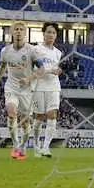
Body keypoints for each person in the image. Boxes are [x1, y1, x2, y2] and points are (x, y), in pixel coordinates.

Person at [0, 20, 35, 160]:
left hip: (26, 90)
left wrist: (29, 78)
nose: (18, 31)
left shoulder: (32, 50)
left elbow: (41, 69)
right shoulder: (5, 51)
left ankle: (23, 146)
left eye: (21, 29)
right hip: (11, 86)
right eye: (16, 29)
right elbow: (2, 66)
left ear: (25, 33)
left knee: (25, 123)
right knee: (11, 113)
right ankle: (15, 145)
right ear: (12, 32)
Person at [30, 22, 64, 158]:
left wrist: (58, 70)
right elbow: (35, 69)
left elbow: (56, 68)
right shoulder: (36, 50)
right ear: (43, 33)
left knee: (52, 115)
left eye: (53, 33)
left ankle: (46, 148)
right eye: (48, 32)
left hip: (54, 86)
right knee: (38, 117)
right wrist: (50, 70)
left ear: (56, 36)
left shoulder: (58, 53)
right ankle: (36, 145)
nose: (51, 35)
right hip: (39, 87)